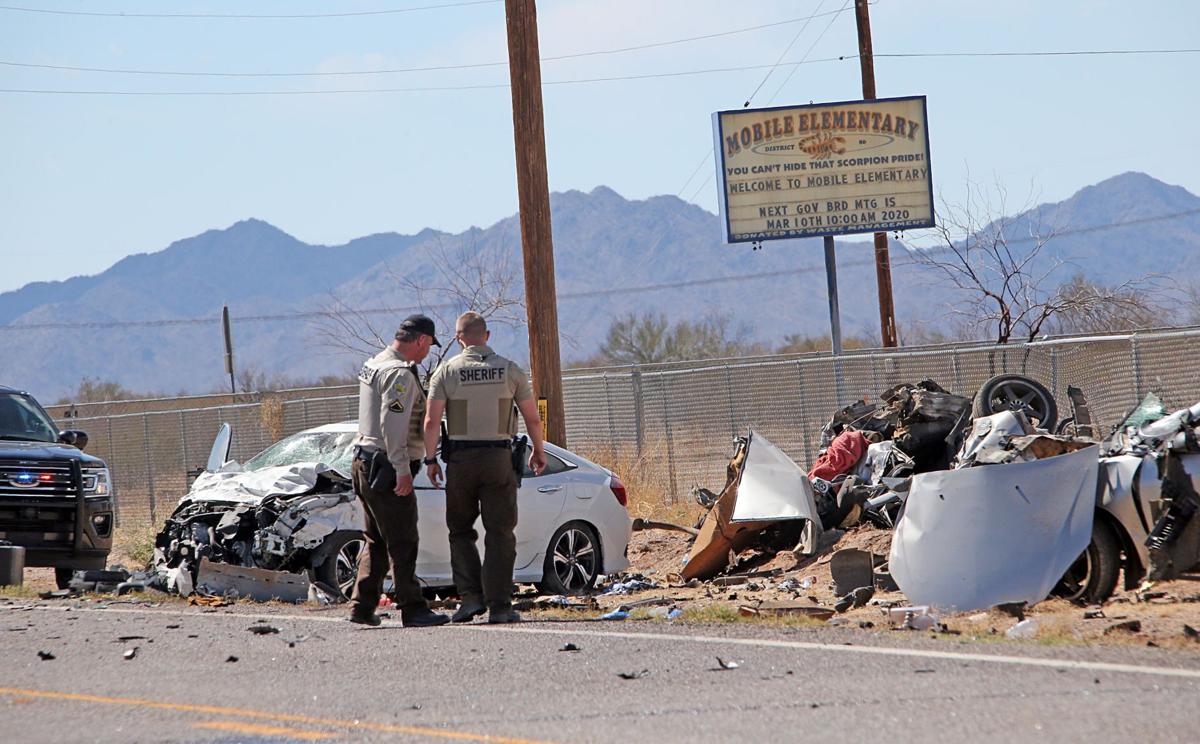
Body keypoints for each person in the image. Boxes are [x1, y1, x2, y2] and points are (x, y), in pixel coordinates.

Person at [423, 311, 546, 624]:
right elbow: (532, 418)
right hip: (498, 460)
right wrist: (538, 450)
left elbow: (431, 421)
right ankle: (500, 606)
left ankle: (470, 599)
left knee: (460, 531)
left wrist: (430, 459)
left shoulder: (447, 372)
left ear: (459, 338)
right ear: (487, 336)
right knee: (501, 533)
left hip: (460, 462)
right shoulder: (510, 370)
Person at [348, 314, 450, 628]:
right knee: (403, 540)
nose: (427, 352)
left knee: (377, 539)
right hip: (386, 466)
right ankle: (413, 608)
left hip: (364, 462)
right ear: (421, 340)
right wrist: (402, 469)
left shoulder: (375, 363)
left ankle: (362, 606)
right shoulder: (399, 373)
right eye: (428, 346)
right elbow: (392, 425)